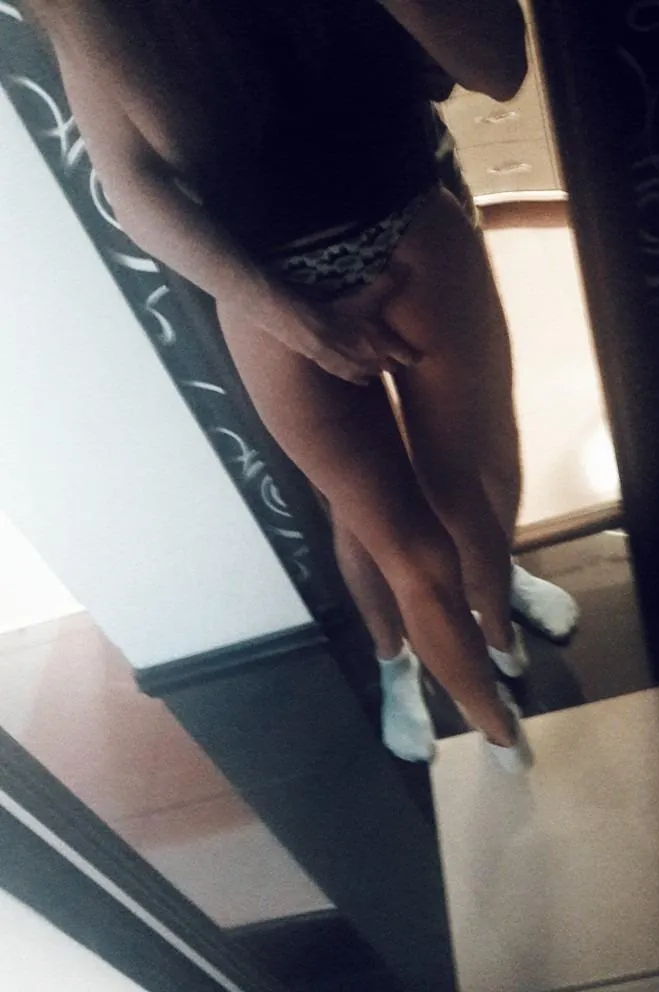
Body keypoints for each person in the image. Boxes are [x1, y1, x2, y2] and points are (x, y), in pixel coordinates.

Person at [29, 0, 578, 771]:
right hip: (323, 266)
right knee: (397, 526)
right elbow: (135, 192)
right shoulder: (93, 12)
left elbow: (497, 67)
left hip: (379, 228)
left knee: (454, 505)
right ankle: (417, 664)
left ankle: (499, 703)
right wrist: (296, 321)